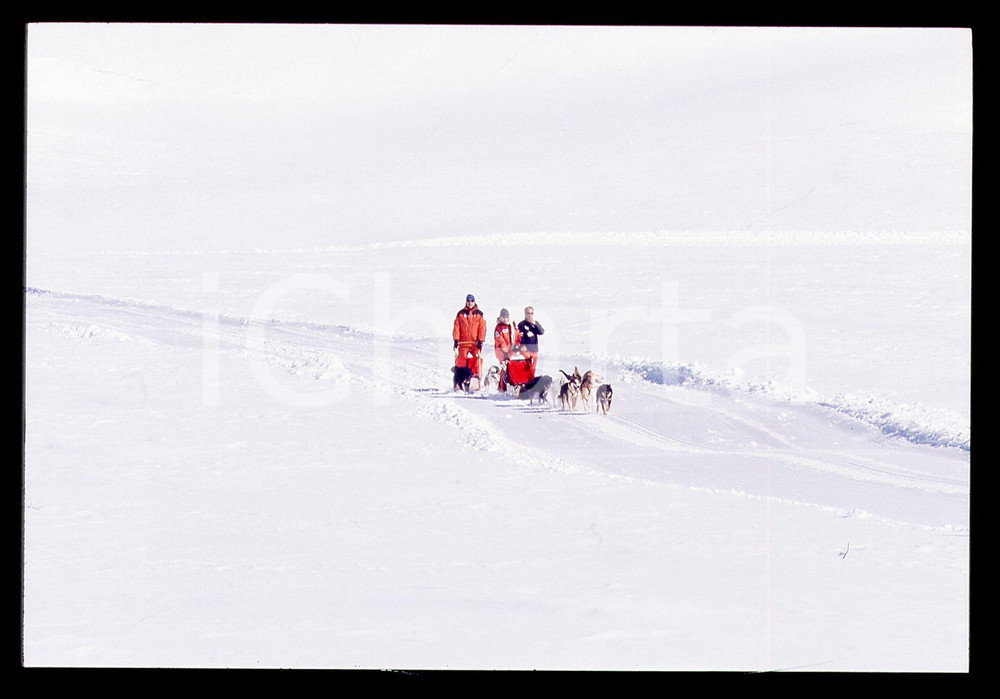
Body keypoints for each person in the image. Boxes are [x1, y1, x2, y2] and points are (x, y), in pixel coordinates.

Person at [453, 293, 487, 385]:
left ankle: (475, 377)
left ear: (474, 302)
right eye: (468, 301)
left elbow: (482, 328)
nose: (470, 303)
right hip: (463, 342)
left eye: (472, 301)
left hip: (474, 343)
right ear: (466, 302)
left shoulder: (479, 314)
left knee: (477, 359)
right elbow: (457, 327)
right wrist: (456, 340)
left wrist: (480, 340)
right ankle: (460, 380)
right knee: (461, 361)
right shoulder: (460, 314)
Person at [493, 308, 521, 392]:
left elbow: (517, 336)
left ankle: (513, 386)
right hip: (501, 352)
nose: (505, 319)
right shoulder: (499, 328)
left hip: (511, 351)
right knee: (504, 369)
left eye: (506, 317)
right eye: (503, 317)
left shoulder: (512, 326)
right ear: (501, 317)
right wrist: (505, 352)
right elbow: (500, 341)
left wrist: (517, 346)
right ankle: (502, 388)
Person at [516, 306, 544, 370]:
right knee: (526, 367)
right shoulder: (521, 324)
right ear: (525, 314)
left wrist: (535, 324)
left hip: (534, 349)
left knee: (533, 368)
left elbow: (541, 332)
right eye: (528, 313)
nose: (530, 315)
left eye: (531, 313)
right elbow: (520, 336)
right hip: (526, 350)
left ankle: (532, 379)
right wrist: (522, 346)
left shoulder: (535, 323)